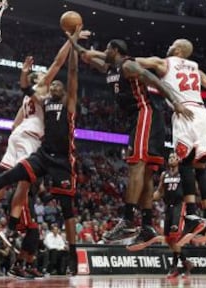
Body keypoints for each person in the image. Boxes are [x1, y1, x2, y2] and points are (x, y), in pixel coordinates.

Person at [0, 39, 80, 275]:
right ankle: (7, 227)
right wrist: (70, 40)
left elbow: (14, 122)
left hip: (25, 138)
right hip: (33, 139)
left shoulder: (47, 100)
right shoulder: (42, 93)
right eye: (46, 79)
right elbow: (57, 64)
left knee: (11, 177)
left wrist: (24, 74)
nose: (51, 81)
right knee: (22, 182)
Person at [67, 34, 193, 244]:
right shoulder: (110, 69)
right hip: (140, 119)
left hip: (145, 115)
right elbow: (85, 55)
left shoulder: (128, 66)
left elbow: (153, 79)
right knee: (145, 175)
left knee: (136, 166)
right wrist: (71, 38)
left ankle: (127, 220)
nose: (104, 52)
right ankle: (146, 225)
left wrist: (176, 103)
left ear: (115, 50)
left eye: (107, 49)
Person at [134, 38, 206, 241]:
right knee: (200, 168)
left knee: (185, 164)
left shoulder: (165, 62)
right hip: (203, 114)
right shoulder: (196, 69)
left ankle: (193, 215)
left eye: (172, 44)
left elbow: (136, 62)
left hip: (184, 112)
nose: (169, 45)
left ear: (177, 49)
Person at [152, 153, 199, 279]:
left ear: (179, 160)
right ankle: (185, 264)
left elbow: (194, 190)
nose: (171, 159)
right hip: (168, 207)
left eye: (174, 157)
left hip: (180, 206)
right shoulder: (164, 174)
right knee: (169, 239)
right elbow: (159, 192)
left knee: (175, 236)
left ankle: (174, 267)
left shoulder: (184, 173)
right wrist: (149, 197)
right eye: (170, 157)